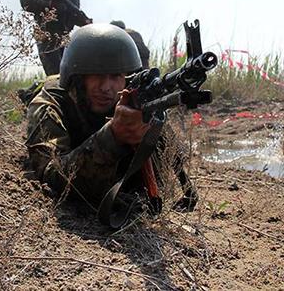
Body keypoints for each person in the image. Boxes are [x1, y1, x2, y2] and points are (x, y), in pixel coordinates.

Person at [25, 23, 197, 219]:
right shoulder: (49, 103)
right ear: (79, 78)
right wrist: (113, 136)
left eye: (116, 76)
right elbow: (50, 176)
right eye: (97, 75)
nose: (106, 87)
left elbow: (166, 166)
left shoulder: (132, 99)